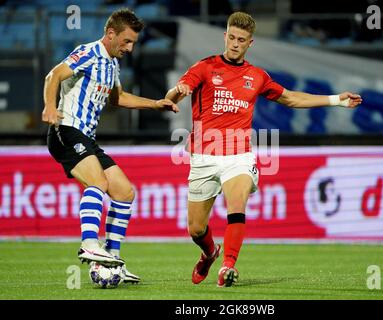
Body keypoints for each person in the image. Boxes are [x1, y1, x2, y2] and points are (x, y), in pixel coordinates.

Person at [165, 11, 362, 287]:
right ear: (225, 36)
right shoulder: (205, 67)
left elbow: (291, 98)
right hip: (204, 157)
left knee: (237, 206)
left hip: (239, 156)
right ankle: (210, 252)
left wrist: (336, 100)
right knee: (196, 228)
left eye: (241, 40)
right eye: (231, 37)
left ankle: (228, 266)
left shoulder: (256, 76)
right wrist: (176, 93)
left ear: (250, 43)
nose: (235, 44)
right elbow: (175, 91)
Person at [42, 8, 179, 283]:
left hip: (87, 138)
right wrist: (49, 106)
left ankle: (112, 261)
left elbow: (117, 98)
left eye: (133, 44)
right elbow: (53, 75)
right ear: (110, 34)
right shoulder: (89, 52)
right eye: (126, 42)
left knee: (125, 193)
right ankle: (90, 244)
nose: (129, 48)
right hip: (66, 130)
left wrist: (154, 103)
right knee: (99, 183)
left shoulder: (112, 64)